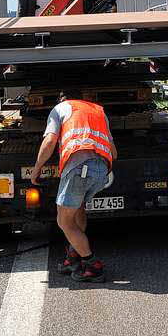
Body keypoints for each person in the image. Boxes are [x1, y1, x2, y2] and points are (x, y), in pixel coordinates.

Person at [31, 91, 117, 284]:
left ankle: (92, 264)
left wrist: (36, 169)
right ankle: (73, 257)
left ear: (62, 99)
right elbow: (113, 150)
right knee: (78, 209)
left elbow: (50, 141)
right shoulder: (98, 111)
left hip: (80, 168)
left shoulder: (60, 109)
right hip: (101, 169)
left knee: (64, 221)